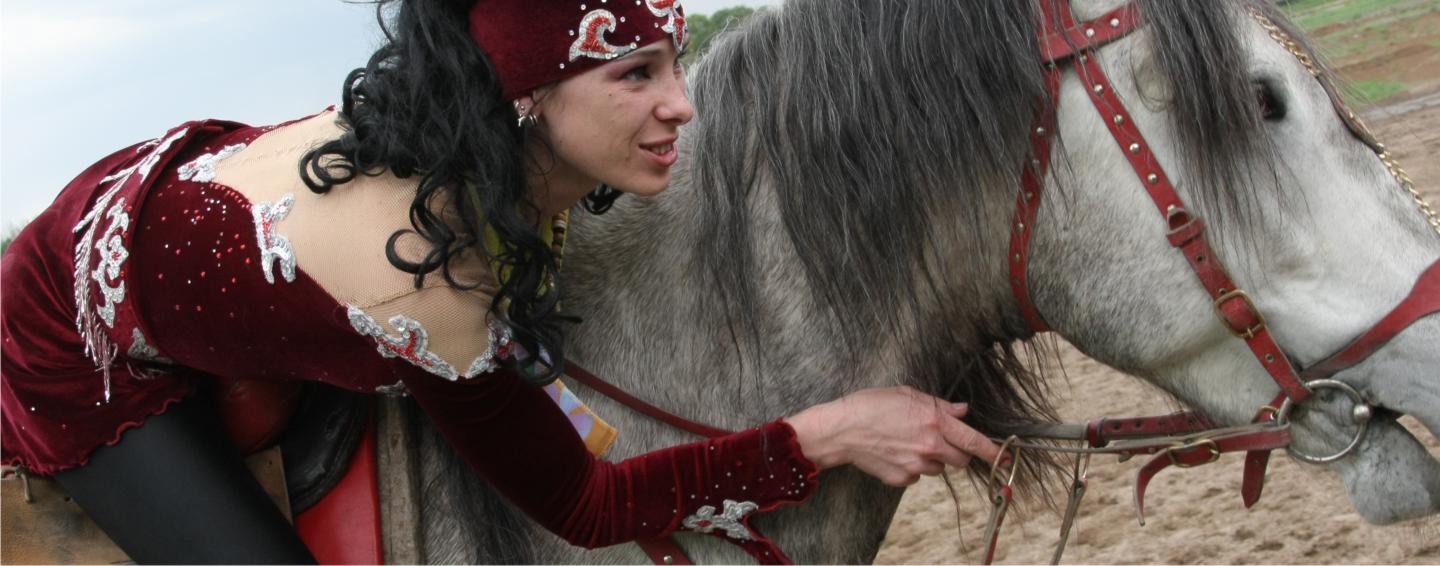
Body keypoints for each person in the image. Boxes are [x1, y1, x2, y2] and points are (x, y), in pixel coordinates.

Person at [0, 0, 1001, 563]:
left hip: (175, 197)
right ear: (527, 94)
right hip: (69, 321)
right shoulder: (421, 281)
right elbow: (587, 506)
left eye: (675, 64)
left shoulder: (485, 152)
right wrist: (827, 432)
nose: (683, 106)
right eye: (636, 75)